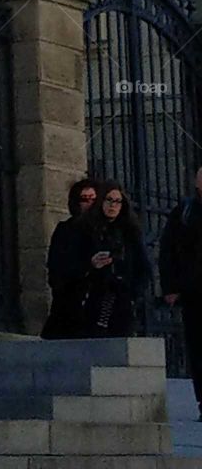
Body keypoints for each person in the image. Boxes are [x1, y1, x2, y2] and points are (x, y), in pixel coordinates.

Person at [70, 179, 151, 337]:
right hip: (95, 297)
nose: (113, 205)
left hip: (123, 298)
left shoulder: (130, 232)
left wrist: (134, 294)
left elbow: (143, 266)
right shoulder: (84, 229)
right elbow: (72, 264)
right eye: (109, 200)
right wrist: (91, 264)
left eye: (117, 201)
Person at [159, 167, 202, 420]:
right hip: (194, 294)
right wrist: (171, 287)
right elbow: (168, 251)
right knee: (198, 349)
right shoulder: (184, 213)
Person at [40, 177, 99, 339]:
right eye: (85, 199)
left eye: (94, 199)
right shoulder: (66, 230)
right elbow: (56, 264)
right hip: (70, 298)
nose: (90, 204)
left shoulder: (107, 230)